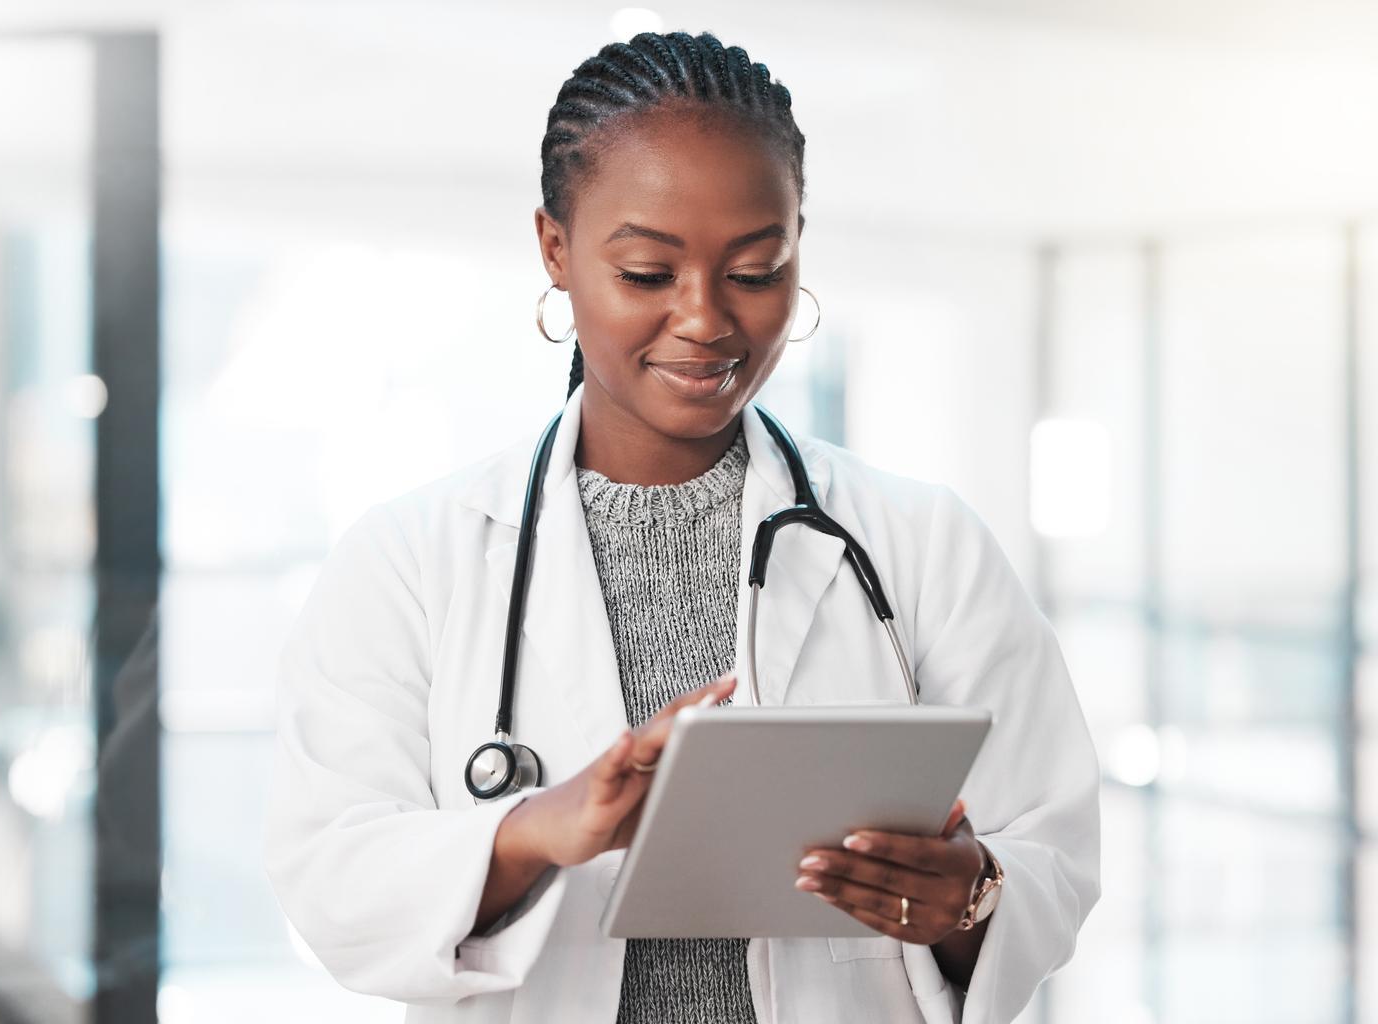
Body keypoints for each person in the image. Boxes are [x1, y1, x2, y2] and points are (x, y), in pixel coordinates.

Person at [264, 29, 1100, 1024]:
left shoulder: (922, 545)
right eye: (650, 274)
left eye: (755, 270)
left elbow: (1053, 857)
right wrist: (536, 829)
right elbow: (331, 881)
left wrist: (967, 895)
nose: (706, 319)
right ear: (556, 249)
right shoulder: (411, 559)